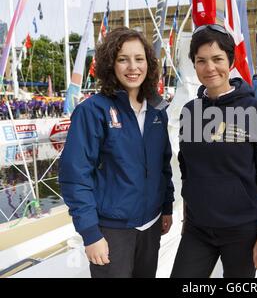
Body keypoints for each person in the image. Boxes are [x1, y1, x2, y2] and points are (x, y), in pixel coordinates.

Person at [59, 27, 175, 278]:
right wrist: (91, 234)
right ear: (110, 64)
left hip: (151, 225)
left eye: (139, 59)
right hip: (112, 230)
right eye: (123, 59)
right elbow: (75, 176)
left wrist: (167, 207)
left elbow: (162, 165)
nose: (132, 67)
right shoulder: (92, 111)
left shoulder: (157, 110)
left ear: (148, 63)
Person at [170, 24, 257, 278]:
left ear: (230, 61)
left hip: (241, 230)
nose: (210, 68)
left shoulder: (255, 111)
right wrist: (188, 218)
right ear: (194, 64)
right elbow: (188, 169)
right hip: (197, 230)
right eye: (201, 61)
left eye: (217, 59)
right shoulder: (190, 112)